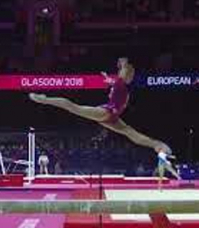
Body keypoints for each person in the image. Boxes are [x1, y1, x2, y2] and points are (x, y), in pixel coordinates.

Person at [29, 57, 173, 155]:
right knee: (130, 133)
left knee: (73, 107)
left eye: (124, 73)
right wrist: (109, 77)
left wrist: (123, 63)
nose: (121, 73)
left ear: (126, 75)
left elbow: (122, 74)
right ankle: (158, 145)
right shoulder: (121, 85)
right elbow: (117, 79)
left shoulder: (120, 83)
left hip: (106, 112)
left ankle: (44, 99)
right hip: (113, 116)